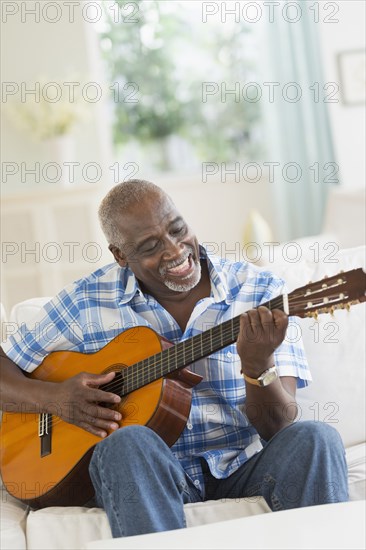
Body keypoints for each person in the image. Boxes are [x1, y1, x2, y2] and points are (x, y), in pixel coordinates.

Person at [0, 179, 348, 538]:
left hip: (243, 469)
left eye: (178, 229)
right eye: (150, 246)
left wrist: (258, 368)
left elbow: (280, 427)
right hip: (148, 475)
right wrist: (55, 400)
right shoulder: (86, 301)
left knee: (316, 437)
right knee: (127, 442)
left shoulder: (258, 291)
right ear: (121, 256)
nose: (174, 250)